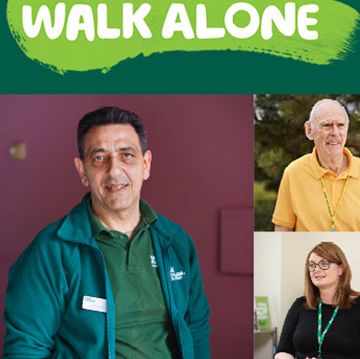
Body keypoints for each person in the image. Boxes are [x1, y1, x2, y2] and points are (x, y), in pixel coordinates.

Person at [3, 106, 212, 359]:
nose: (114, 171)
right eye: (99, 158)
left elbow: (196, 332)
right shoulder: (50, 251)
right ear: (82, 171)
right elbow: (25, 350)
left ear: (145, 165)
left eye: (127, 155)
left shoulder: (176, 242)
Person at [272, 99, 360, 232]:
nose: (335, 132)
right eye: (327, 125)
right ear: (309, 130)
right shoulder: (293, 173)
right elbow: (282, 230)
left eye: (340, 125)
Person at [275, 242, 360, 359]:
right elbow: (283, 351)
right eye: (312, 265)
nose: (316, 269)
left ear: (341, 269)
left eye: (324, 264)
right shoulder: (300, 305)